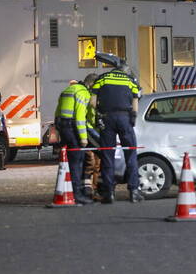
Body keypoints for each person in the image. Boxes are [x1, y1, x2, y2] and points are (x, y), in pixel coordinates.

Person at [89, 65, 142, 203]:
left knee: (108, 156)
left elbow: (92, 102)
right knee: (131, 155)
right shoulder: (130, 81)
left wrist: (101, 110)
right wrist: (133, 117)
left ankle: (109, 194)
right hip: (125, 119)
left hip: (107, 119)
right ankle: (134, 192)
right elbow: (135, 102)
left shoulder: (102, 79)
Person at [54, 77, 95, 204]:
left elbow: (57, 111)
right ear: (91, 85)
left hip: (63, 126)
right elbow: (80, 118)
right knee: (77, 160)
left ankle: (73, 191)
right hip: (72, 127)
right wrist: (83, 138)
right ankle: (77, 194)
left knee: (72, 160)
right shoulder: (82, 93)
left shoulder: (69, 89)